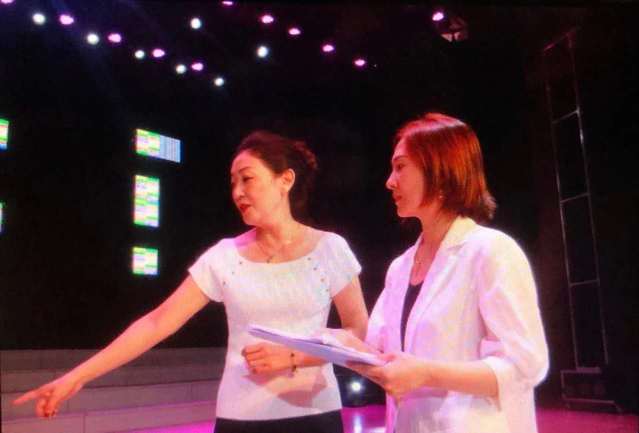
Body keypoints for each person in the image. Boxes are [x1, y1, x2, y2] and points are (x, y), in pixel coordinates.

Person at [13, 130, 369, 433]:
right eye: (232, 182)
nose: (237, 192)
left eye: (247, 179)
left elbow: (359, 333)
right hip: (241, 418)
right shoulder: (224, 256)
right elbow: (156, 323)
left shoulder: (330, 248)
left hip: (316, 415)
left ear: (285, 180)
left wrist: (295, 356)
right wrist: (76, 377)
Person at [339, 113, 549, 433]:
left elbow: (524, 366)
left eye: (400, 167)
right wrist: (341, 345)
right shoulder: (401, 267)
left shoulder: (491, 251)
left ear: (439, 170)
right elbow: (383, 354)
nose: (389, 181)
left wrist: (427, 373)